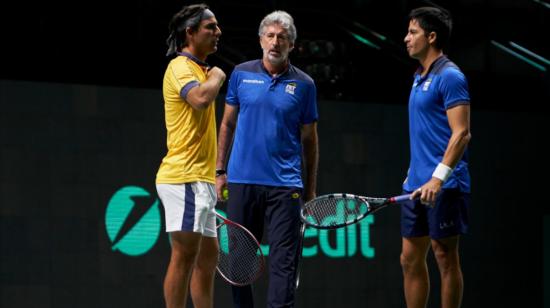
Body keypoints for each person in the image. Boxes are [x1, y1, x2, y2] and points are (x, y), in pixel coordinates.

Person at [215, 10, 319, 308]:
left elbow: (310, 140)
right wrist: (220, 170)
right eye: (270, 36)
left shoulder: (305, 85)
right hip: (242, 181)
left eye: (282, 38)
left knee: (283, 263)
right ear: (261, 40)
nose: (275, 42)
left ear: (292, 46)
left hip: (285, 187)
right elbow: (227, 125)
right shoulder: (240, 74)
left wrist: (310, 191)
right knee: (238, 263)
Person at [155, 4, 225, 308]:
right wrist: (219, 76)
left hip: (201, 180)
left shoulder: (199, 70)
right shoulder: (180, 67)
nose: (218, 32)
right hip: (183, 178)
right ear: (190, 32)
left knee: (208, 257)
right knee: (184, 257)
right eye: (210, 27)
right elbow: (199, 99)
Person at [401, 6, 471, 308]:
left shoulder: (450, 76)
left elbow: (461, 134)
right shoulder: (419, 76)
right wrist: (415, 171)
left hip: (446, 185)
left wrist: (437, 178)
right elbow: (426, 133)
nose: (406, 38)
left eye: (413, 32)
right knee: (408, 259)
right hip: (415, 184)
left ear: (431, 36)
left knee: (444, 256)